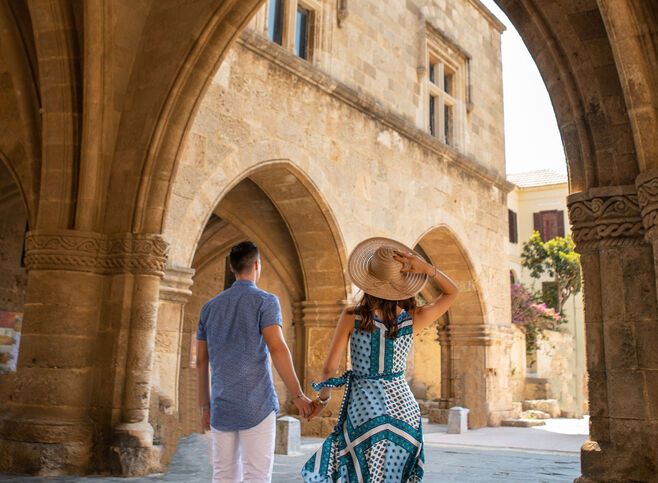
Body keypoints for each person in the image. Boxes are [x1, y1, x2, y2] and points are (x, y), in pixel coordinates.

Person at [301, 237, 459, 482]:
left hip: (364, 407)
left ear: (368, 281)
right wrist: (427, 269)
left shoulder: (352, 316)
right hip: (404, 410)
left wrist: (323, 400)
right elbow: (452, 292)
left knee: (361, 474)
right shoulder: (413, 319)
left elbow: (329, 368)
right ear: (404, 283)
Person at [196, 240, 314, 483]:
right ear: (257, 265)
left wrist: (205, 408)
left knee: (223, 476)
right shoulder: (265, 301)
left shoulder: (209, 308)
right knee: (257, 477)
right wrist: (298, 394)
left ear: (232, 267)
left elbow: (200, 361)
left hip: (221, 405)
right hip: (256, 404)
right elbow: (277, 348)